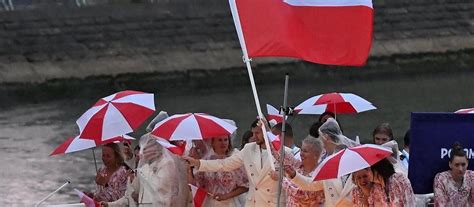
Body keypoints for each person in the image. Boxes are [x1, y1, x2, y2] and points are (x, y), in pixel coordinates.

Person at [183, 119, 289, 206]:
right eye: (253, 133)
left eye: (257, 133)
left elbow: (292, 176)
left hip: (273, 203)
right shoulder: (248, 149)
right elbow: (224, 164)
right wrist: (197, 163)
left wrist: (281, 177)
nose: (254, 136)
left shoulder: (283, 152)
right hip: (254, 203)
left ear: (266, 132)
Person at [284, 118, 358, 207]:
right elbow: (312, 184)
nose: (321, 144)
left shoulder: (354, 159)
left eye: (321, 138)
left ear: (326, 138)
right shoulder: (326, 163)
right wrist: (294, 175)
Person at [103, 134, 189, 207]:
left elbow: (164, 195)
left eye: (145, 149)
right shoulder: (143, 168)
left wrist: (137, 196)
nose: (141, 153)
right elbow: (129, 197)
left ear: (156, 148)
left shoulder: (167, 165)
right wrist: (108, 205)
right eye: (142, 149)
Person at [189, 135, 249, 207]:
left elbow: (246, 185)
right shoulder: (206, 160)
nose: (223, 143)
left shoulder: (235, 160)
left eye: (226, 140)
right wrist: (190, 166)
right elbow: (195, 184)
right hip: (209, 203)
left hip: (229, 203)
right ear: (213, 142)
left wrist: (227, 196)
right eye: (220, 140)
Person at [276, 136, 325, 207]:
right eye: (301, 150)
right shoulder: (298, 166)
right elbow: (279, 153)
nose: (301, 153)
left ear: (316, 155)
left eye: (305, 151)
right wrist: (266, 132)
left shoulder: (320, 174)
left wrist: (281, 179)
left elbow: (301, 195)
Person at [433, 142, 473, 206]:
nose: (460, 169)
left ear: (467, 163)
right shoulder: (441, 180)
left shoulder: (472, 177)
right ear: (450, 164)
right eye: (457, 165)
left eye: (463, 164)